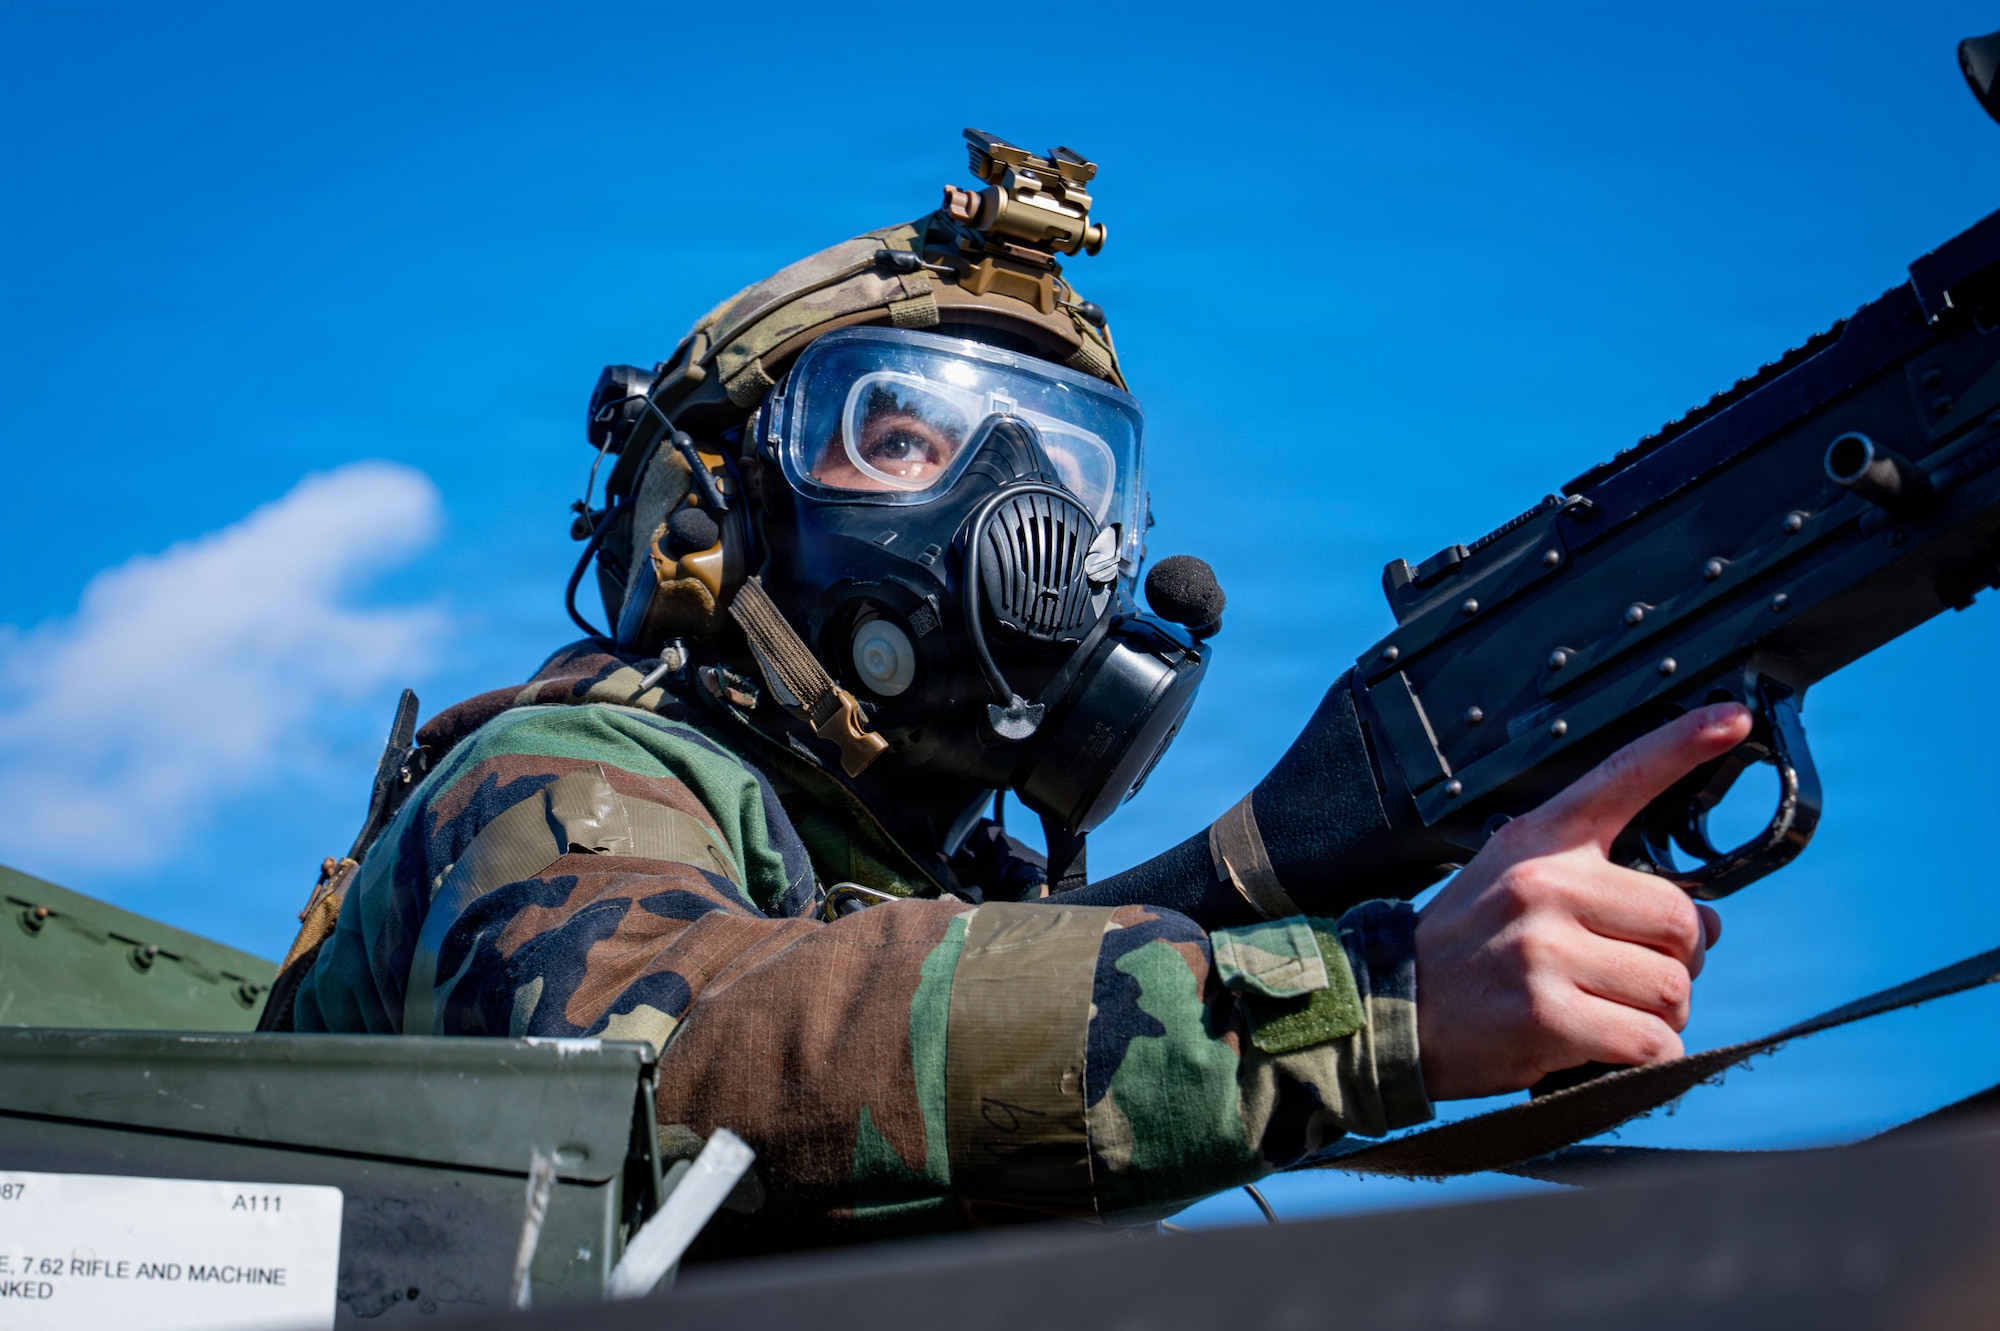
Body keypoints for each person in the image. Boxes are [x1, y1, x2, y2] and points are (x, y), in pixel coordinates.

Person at [268, 131, 1745, 1257]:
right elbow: (684, 1057)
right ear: (709, 515)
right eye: (904, 436)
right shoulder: (556, 774)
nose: (1013, 511)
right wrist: (1370, 998)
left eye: (1066, 463)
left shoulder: (953, 904)